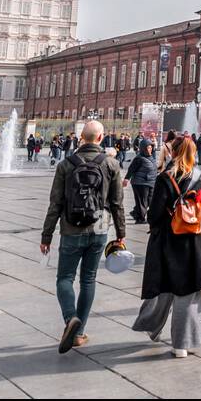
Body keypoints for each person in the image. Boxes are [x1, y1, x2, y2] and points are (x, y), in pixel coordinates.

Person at [132, 136, 201, 357]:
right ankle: (182, 345)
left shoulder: (165, 177)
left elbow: (154, 214)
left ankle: (152, 326)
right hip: (196, 241)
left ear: (173, 152)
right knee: (188, 292)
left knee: (164, 287)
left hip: (168, 241)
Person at [40, 120, 127, 354]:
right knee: (88, 279)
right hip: (100, 226)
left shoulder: (66, 165)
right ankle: (78, 333)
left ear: (81, 138)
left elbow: (55, 203)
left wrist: (46, 235)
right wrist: (121, 234)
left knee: (64, 278)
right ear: (101, 138)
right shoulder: (111, 163)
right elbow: (117, 204)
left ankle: (71, 318)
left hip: (71, 226)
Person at [125, 141, 157, 225]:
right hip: (140, 183)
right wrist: (126, 179)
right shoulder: (139, 158)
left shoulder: (151, 157)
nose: (150, 149)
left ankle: (136, 213)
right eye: (148, 148)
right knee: (142, 201)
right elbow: (131, 169)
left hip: (150, 182)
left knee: (150, 201)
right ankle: (140, 219)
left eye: (151, 147)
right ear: (143, 149)